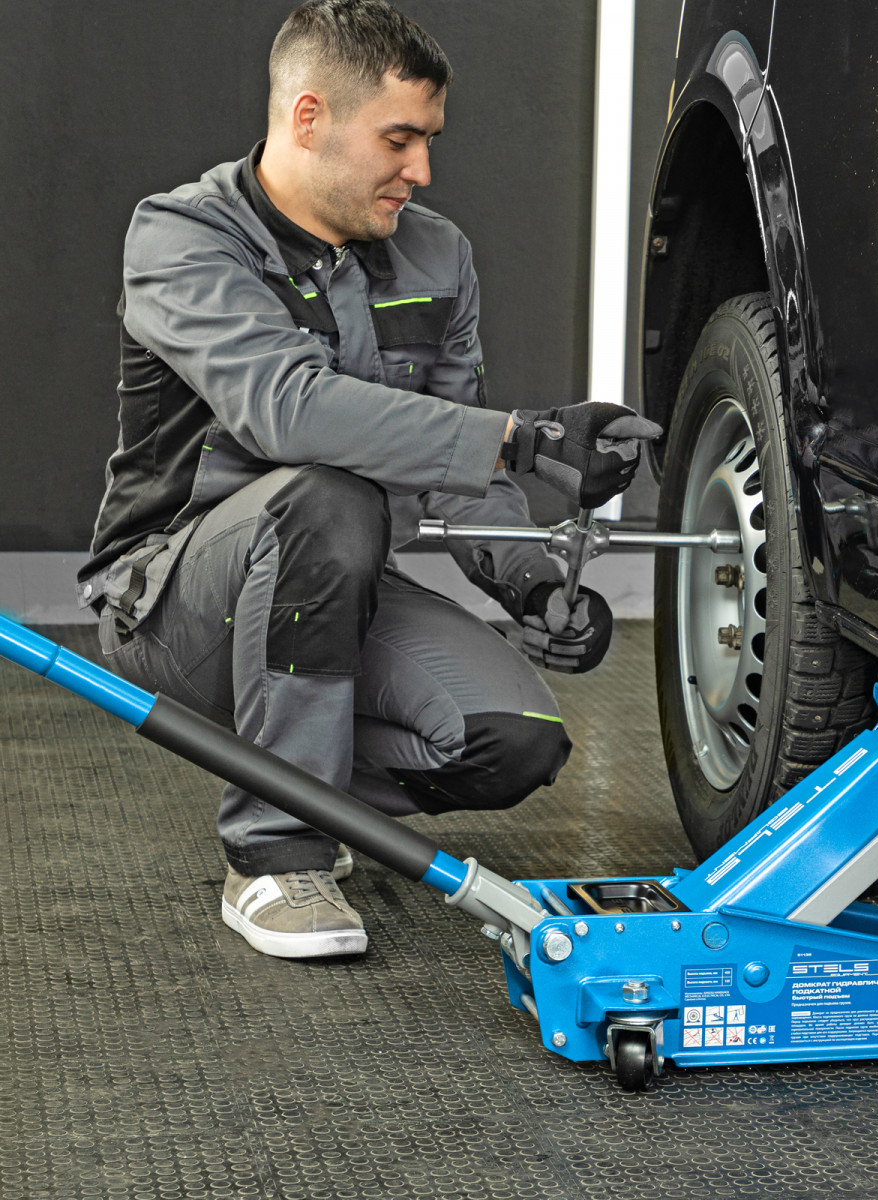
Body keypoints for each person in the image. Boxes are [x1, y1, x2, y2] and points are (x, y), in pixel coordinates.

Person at [77, 0, 659, 960]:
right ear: (309, 118)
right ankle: (275, 855)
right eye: (399, 139)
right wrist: (525, 439)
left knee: (513, 740)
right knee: (330, 496)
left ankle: (305, 784)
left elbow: (460, 472)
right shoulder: (182, 238)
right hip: (172, 602)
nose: (421, 169)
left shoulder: (437, 255)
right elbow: (288, 411)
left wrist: (533, 583)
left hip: (335, 586)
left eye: (429, 140)